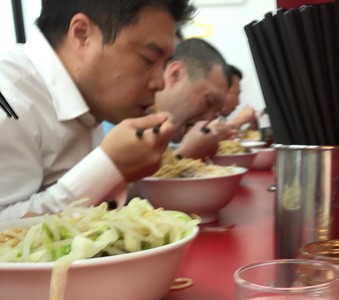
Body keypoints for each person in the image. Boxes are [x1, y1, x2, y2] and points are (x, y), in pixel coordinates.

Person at [0, 0, 195, 221]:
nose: (160, 83)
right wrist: (109, 167)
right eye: (148, 59)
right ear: (82, 35)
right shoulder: (11, 100)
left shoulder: (89, 100)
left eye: (164, 64)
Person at [155, 37, 232, 160]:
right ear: (175, 74)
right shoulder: (128, 119)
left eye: (216, 114)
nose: (208, 120)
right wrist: (187, 153)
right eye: (208, 101)